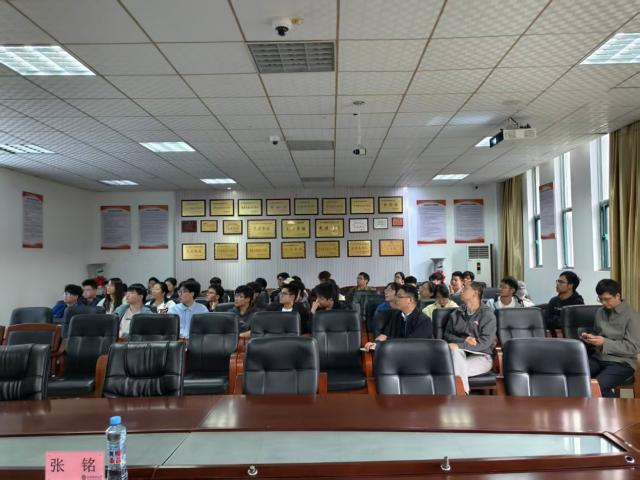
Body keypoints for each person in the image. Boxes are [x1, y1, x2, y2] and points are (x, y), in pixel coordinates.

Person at [583, 279, 640, 397]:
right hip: (598, 358)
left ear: (617, 296)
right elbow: (596, 333)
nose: (603, 303)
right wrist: (590, 338)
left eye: (607, 299)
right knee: (575, 377)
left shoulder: (632, 316)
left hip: (622, 363)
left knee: (597, 387)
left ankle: (616, 409)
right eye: (600, 299)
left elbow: (633, 347)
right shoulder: (600, 312)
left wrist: (604, 343)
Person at [444, 282, 497, 394]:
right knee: (456, 354)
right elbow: (447, 335)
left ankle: (459, 396)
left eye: (465, 288)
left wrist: (459, 345)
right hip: (457, 356)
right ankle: (463, 395)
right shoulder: (457, 313)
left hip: (482, 357)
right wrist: (463, 340)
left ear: (475, 293)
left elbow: (485, 343)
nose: (461, 291)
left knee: (450, 370)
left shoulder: (487, 315)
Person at [364, 285, 433, 351]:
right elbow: (384, 336)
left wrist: (387, 340)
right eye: (396, 296)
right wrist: (375, 344)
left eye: (399, 296)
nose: (396, 299)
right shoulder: (396, 315)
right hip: (394, 354)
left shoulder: (424, 321)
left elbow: (411, 344)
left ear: (410, 300)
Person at [544, 271, 584, 337]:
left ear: (570, 285)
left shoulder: (577, 303)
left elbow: (570, 323)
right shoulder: (553, 301)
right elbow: (547, 321)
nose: (557, 284)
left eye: (561, 282)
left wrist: (556, 319)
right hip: (553, 337)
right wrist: (559, 320)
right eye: (557, 281)